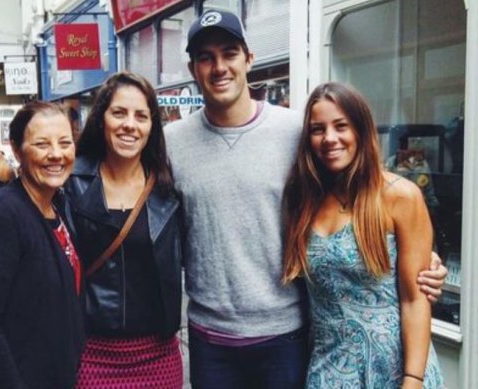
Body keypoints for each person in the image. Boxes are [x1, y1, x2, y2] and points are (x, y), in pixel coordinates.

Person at [163, 9, 448, 388]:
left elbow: (359, 197)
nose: (219, 67)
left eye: (230, 52)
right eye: (206, 57)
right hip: (212, 339)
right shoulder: (170, 143)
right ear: (193, 67)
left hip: (287, 337)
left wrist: (422, 262)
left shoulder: (295, 131)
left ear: (249, 59)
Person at [282, 82, 444, 388]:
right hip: (329, 369)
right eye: (318, 129)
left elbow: (415, 299)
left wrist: (413, 379)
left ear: (361, 129)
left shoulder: (400, 196)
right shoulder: (304, 200)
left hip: (396, 370)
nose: (330, 138)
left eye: (340, 126)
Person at [0, 102, 84, 389]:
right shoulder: (0, 215)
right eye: (42, 144)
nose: (56, 154)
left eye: (65, 143)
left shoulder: (59, 205)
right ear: (18, 150)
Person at [65, 71, 183, 388]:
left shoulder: (168, 189)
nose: (129, 124)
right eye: (119, 112)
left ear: (151, 127)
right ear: (101, 118)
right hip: (90, 353)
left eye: (141, 116)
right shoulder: (69, 182)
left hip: (157, 356)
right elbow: (25, 223)